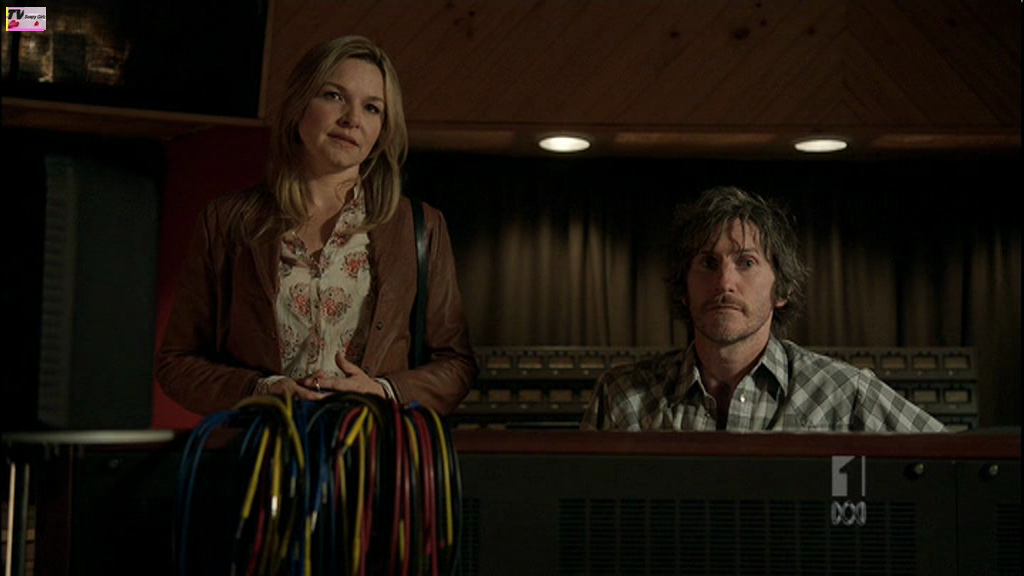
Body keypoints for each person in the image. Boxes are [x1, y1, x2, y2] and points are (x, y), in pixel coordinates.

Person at [157, 36, 477, 416]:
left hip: (371, 447)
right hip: (266, 447)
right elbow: (177, 363)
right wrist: (261, 389)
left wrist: (383, 391)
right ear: (299, 104)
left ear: (382, 129)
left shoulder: (420, 227)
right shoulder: (227, 222)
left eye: (372, 107)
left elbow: (457, 365)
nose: (352, 119)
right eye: (334, 95)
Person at [582, 186, 945, 432]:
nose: (725, 282)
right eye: (708, 263)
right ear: (684, 287)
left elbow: (955, 467)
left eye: (747, 263)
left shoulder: (845, 394)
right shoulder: (619, 397)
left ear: (781, 288)